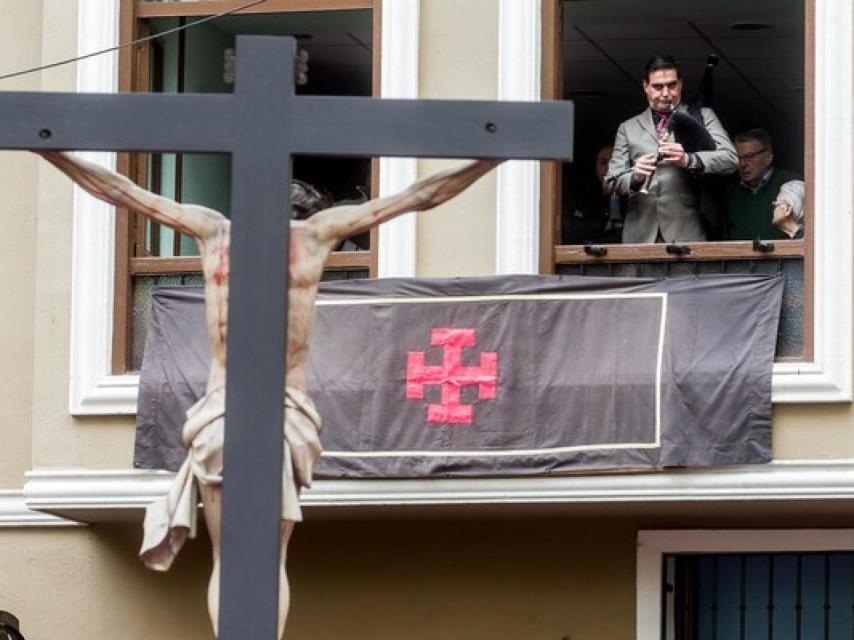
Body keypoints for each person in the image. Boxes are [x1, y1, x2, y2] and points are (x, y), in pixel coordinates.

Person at [37, 150, 502, 639]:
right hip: (280, 413)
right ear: (309, 209)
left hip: (227, 411)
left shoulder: (217, 232)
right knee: (269, 557)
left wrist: (48, 149)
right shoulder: (315, 234)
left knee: (228, 556)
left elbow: (122, 191)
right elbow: (421, 194)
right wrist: (492, 158)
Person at [606, 54, 738, 243]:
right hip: (639, 235)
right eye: (658, 87)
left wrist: (689, 160)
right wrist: (635, 177)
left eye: (672, 85)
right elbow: (611, 181)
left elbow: (731, 159)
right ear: (645, 86)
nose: (666, 93)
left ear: (681, 84)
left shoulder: (703, 116)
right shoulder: (628, 128)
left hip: (687, 232)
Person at [724, 128, 801, 240]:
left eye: (749, 157)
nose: (742, 164)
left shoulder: (792, 185)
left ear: (768, 157)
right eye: (738, 158)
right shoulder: (731, 193)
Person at [561, 144, 623, 245]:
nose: (608, 168)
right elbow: (572, 230)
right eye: (603, 163)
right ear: (595, 167)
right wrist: (604, 224)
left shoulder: (632, 197)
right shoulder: (584, 196)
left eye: (614, 162)